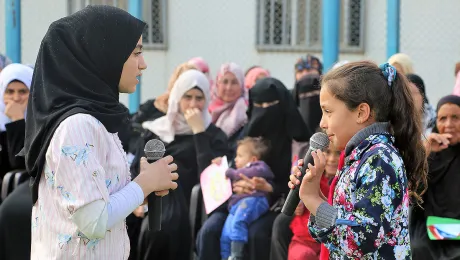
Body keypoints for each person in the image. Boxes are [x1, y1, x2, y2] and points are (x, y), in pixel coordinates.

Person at [23, 6, 178, 259]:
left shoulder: (96, 120)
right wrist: (144, 183)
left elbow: (97, 205)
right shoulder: (76, 125)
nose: (143, 64)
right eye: (136, 52)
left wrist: (143, 190)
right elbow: (93, 222)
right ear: (104, 55)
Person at [289, 61, 428, 259]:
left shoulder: (379, 160)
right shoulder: (360, 156)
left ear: (361, 112)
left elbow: (361, 242)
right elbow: (342, 228)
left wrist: (313, 201)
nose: (322, 123)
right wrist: (315, 194)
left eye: (328, 111)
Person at [197, 77, 309, 260]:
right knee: (210, 230)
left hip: (276, 204)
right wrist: (233, 183)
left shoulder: (298, 143)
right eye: (259, 105)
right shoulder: (247, 135)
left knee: (257, 234)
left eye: (270, 104)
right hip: (236, 201)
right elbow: (232, 168)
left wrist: (269, 188)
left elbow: (299, 185)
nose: (264, 111)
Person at [134, 69, 229, 260]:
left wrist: (198, 132)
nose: (193, 104)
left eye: (199, 98)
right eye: (187, 97)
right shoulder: (156, 131)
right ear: (177, 97)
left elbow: (210, 179)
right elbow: (137, 166)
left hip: (191, 203)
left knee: (165, 227)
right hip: (153, 201)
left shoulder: (214, 135)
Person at [410, 95, 460, 260]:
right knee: (418, 247)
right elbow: (412, 191)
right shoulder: (429, 154)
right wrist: (425, 153)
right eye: (442, 118)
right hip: (430, 230)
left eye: (456, 118)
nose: (448, 125)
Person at [221, 137, 274, 260]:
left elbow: (253, 172)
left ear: (253, 159)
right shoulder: (238, 170)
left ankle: (236, 255)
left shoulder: (259, 167)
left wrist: (232, 173)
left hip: (255, 200)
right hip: (237, 204)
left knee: (239, 222)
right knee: (226, 232)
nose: (235, 159)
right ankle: (225, 256)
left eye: (240, 156)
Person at [287, 142, 339, 260]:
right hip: (305, 240)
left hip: (332, 242)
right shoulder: (311, 176)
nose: (332, 159)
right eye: (327, 152)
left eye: (338, 153)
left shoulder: (346, 181)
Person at [0, 63, 32, 178]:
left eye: (23, 92)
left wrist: (17, 120)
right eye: (9, 91)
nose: (16, 98)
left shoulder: (40, 126)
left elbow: (19, 164)